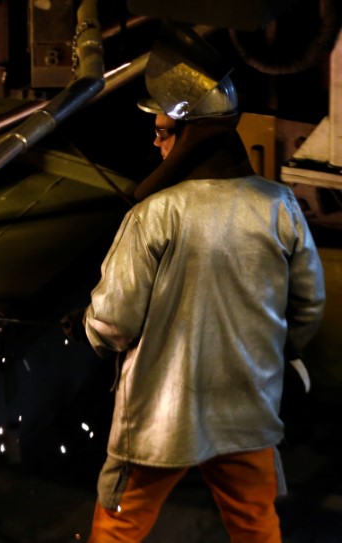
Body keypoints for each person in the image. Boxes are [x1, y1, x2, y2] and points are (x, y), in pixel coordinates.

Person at [62, 24, 326, 542]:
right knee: (257, 528)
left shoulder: (155, 215)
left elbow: (115, 321)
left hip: (160, 425)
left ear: (191, 136)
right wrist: (274, 358)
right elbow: (308, 307)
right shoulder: (278, 205)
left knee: (118, 530)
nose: (156, 143)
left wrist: (86, 328)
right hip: (246, 411)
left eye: (162, 132)